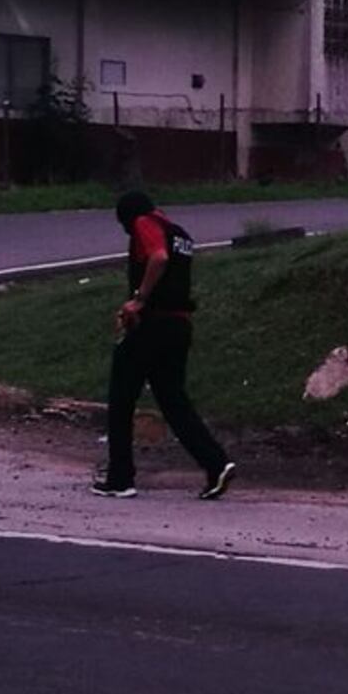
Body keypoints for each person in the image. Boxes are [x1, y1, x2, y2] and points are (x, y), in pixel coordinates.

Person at [91, 191, 236, 500]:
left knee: (121, 397)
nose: (128, 231)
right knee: (173, 400)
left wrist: (138, 300)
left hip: (151, 326)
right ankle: (216, 464)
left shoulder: (143, 223)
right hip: (179, 327)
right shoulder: (180, 234)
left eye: (124, 225)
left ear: (129, 216)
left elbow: (158, 257)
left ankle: (120, 478)